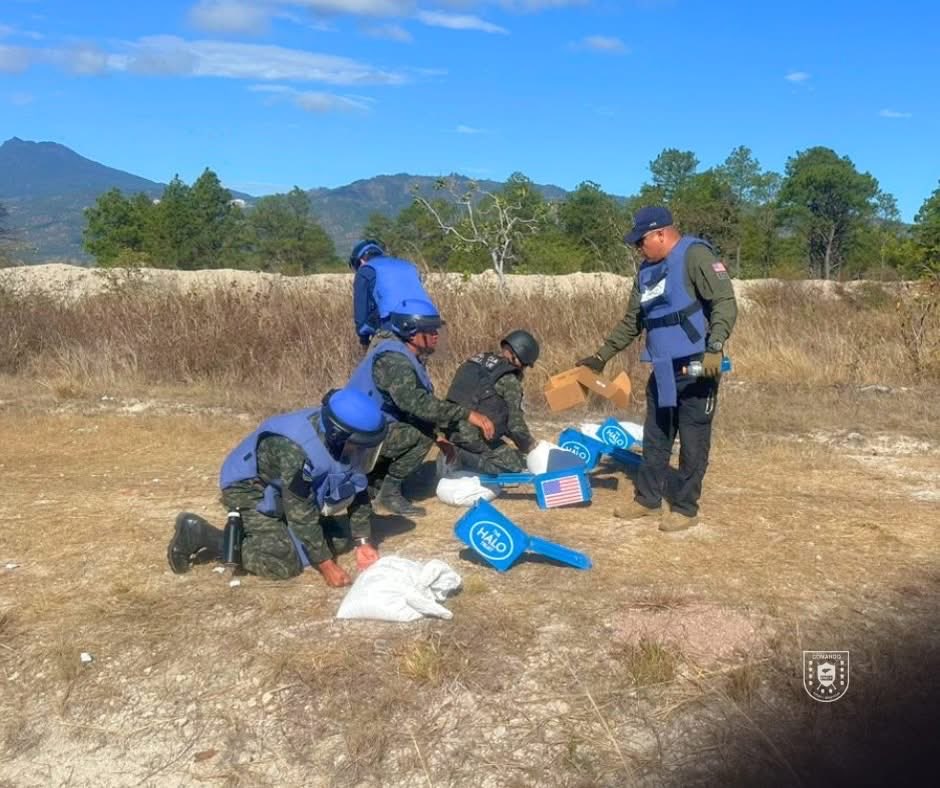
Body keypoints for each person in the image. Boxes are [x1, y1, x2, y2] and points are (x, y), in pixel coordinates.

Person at [576, 206, 737, 532]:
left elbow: (724, 302)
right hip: (663, 367)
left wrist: (715, 346)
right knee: (656, 436)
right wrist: (601, 356)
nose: (639, 248)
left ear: (661, 233)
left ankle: (686, 508)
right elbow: (632, 322)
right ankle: (647, 500)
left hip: (698, 365)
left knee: (693, 439)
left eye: (641, 241)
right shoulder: (646, 271)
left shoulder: (695, 255)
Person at [166, 387, 388, 587]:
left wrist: (362, 541)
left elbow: (357, 485)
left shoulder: (342, 438)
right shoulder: (294, 450)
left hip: (285, 493)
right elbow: (300, 514)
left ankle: (274, 535)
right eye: (359, 445)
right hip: (251, 490)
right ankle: (203, 535)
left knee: (340, 539)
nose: (363, 452)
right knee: (283, 564)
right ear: (338, 435)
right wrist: (326, 565)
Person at [346, 297, 496, 517]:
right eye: (429, 330)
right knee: (421, 436)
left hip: (371, 426)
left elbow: (410, 407)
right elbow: (417, 404)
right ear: (411, 332)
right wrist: (467, 414)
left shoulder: (405, 354)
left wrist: (439, 436)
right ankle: (388, 493)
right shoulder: (394, 360)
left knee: (425, 432)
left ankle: (375, 480)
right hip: (357, 434)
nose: (436, 335)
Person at [444, 330, 540, 474]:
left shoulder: (477, 361)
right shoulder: (509, 380)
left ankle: (458, 450)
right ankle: (459, 456)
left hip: (448, 426)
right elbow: (515, 426)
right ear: (518, 359)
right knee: (513, 465)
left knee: (505, 452)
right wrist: (530, 446)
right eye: (525, 365)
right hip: (469, 435)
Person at [348, 239, 431, 350]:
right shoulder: (408, 266)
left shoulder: (365, 270)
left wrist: (364, 339)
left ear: (361, 261)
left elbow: (361, 312)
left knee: (375, 360)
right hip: (429, 323)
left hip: (395, 326)